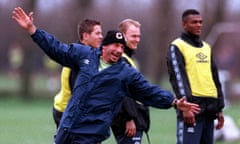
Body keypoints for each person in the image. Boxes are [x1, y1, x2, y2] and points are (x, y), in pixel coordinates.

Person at [12, 7, 200, 144]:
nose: (119, 50)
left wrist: (173, 102)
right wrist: (33, 31)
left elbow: (148, 91)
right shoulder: (84, 55)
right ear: (104, 46)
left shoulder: (125, 72)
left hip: (90, 132)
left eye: (121, 47)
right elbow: (56, 49)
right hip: (68, 126)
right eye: (115, 46)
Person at [166, 9, 225, 144]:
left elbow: (215, 78)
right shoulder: (177, 46)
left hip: (209, 110)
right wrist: (186, 108)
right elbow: (178, 79)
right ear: (184, 25)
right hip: (192, 110)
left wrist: (219, 108)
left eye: (200, 22)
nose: (199, 25)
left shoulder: (206, 47)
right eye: (194, 22)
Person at [53, 19, 103, 129]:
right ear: (85, 36)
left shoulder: (79, 52)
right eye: (97, 33)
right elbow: (79, 92)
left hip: (64, 109)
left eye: (101, 33)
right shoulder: (80, 58)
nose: (101, 37)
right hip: (69, 113)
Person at [111, 19, 150, 144]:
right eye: (133, 36)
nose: (137, 39)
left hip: (135, 119)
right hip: (128, 122)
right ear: (122, 36)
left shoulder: (129, 59)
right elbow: (121, 91)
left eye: (139, 36)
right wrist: (129, 118)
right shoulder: (120, 60)